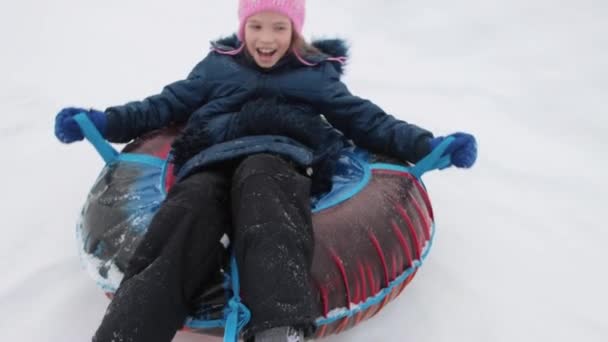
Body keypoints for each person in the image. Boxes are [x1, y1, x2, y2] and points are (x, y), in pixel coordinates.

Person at [54, 0, 478, 341]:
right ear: (243, 28)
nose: (267, 38)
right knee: (188, 208)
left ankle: (280, 327)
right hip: (210, 157)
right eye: (257, 26)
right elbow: (161, 107)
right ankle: (128, 330)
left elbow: (368, 121)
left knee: (265, 199)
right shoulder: (217, 67)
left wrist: (429, 145)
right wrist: (102, 122)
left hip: (278, 155)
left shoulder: (314, 76)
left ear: (295, 30)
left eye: (279, 27)